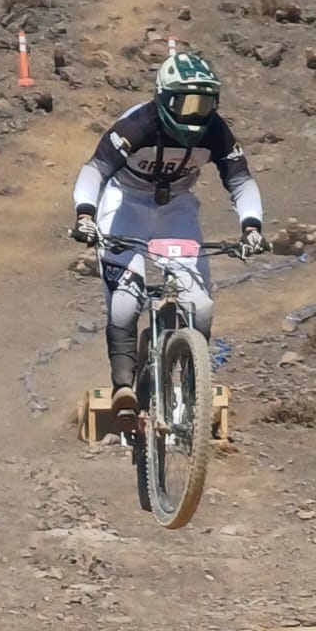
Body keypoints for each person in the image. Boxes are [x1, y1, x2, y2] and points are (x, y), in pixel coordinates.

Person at [71, 50, 268, 422]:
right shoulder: (138, 125)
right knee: (125, 301)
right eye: (186, 104)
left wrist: (252, 226)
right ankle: (124, 386)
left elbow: (241, 180)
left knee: (201, 307)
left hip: (175, 207)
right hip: (125, 204)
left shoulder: (217, 131)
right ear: (164, 98)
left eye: (205, 104)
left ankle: (193, 388)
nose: (196, 115)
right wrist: (85, 216)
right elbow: (95, 170)